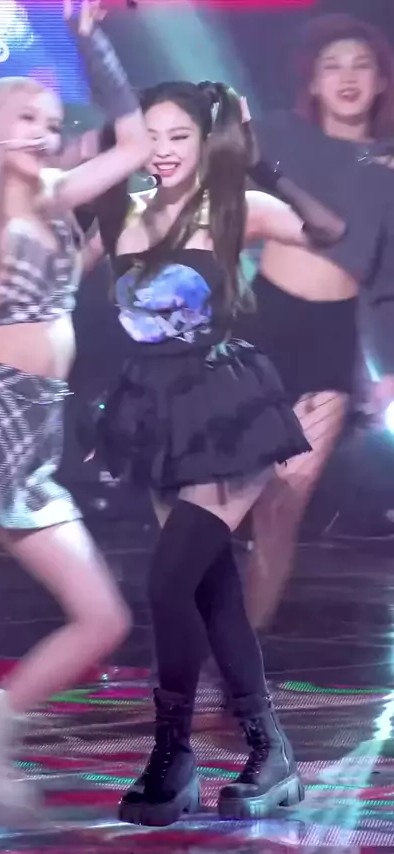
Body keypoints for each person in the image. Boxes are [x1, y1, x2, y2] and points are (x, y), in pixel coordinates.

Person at [0, 1, 152, 850]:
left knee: (103, 619)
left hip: (34, 438)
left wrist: (95, 41)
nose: (45, 131)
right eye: (25, 118)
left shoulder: (51, 200)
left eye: (52, 121)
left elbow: (129, 144)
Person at [83, 79, 345, 826]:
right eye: (151, 136)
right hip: (155, 415)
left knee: (168, 584)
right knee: (210, 590)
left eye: (180, 136)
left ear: (205, 141)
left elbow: (327, 231)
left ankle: (172, 754)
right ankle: (270, 752)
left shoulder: (232, 206)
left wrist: (259, 165)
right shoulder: (122, 215)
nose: (164, 151)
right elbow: (52, 279)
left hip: (226, 408)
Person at [237, 13, 394, 631]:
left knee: (284, 508)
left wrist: (389, 368)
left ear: (381, 81)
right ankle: (193, 635)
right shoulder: (279, 134)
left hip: (332, 344)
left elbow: (386, 277)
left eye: (361, 65)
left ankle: (242, 656)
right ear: (314, 81)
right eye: (333, 66)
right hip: (261, 326)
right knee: (217, 499)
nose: (347, 77)